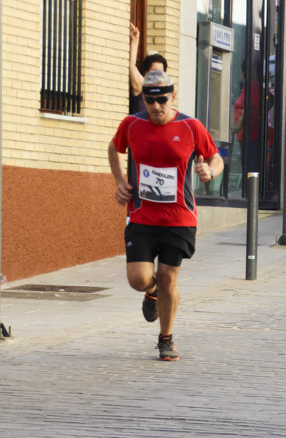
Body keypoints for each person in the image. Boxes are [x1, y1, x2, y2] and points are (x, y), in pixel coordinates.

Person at [107, 70, 224, 361]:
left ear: (173, 96)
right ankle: (153, 290)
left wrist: (210, 171)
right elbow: (114, 147)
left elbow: (215, 157)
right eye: (150, 101)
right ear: (144, 99)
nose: (156, 107)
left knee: (169, 277)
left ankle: (166, 338)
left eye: (162, 100)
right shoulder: (132, 124)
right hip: (142, 215)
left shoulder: (190, 126)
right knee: (138, 279)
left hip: (179, 218)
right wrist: (119, 182)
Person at [128, 23, 168, 115]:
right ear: (146, 73)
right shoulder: (141, 86)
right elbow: (131, 65)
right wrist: (135, 40)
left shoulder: (166, 95)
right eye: (153, 71)